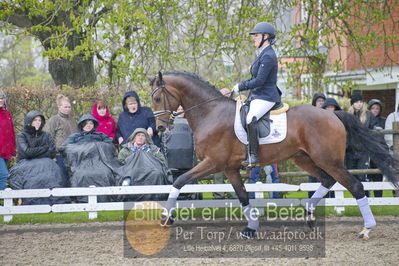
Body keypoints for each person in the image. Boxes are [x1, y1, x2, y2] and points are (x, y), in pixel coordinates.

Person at [233, 22, 282, 167]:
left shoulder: (268, 56)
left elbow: (260, 81)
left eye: (256, 35)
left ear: (265, 37)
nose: (254, 38)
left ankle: (253, 155)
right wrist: (240, 85)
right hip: (257, 95)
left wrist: (241, 86)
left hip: (266, 96)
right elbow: (255, 78)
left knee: (250, 119)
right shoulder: (262, 54)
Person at [8, 110, 67, 205]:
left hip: (46, 163)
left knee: (53, 175)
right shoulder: (22, 136)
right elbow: (27, 153)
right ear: (29, 121)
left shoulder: (46, 135)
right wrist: (44, 148)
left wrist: (35, 151)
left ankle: (54, 201)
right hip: (26, 164)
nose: (38, 122)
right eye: (35, 120)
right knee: (33, 179)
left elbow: (51, 152)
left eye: (39, 120)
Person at [62, 114, 116, 202]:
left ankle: (105, 199)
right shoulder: (75, 137)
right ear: (81, 125)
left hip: (100, 162)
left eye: (91, 123)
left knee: (106, 173)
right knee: (80, 175)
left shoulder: (101, 135)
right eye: (86, 123)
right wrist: (85, 148)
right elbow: (67, 148)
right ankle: (82, 199)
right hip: (81, 163)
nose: (88, 125)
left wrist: (95, 146)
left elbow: (110, 146)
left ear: (94, 125)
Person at [118, 128, 170, 201]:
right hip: (132, 171)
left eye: (143, 136)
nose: (140, 137)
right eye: (138, 135)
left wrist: (149, 157)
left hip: (150, 171)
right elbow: (120, 163)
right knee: (127, 175)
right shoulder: (125, 150)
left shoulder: (153, 149)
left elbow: (162, 161)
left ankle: (156, 200)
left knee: (158, 174)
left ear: (146, 138)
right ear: (134, 137)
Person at [346, 92, 376, 196]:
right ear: (352, 103)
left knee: (363, 176)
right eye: (356, 102)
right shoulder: (347, 116)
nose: (359, 104)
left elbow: (373, 130)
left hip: (364, 151)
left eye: (360, 101)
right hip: (350, 151)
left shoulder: (368, 115)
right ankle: (357, 199)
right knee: (352, 177)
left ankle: (366, 197)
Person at [44, 94, 77, 185]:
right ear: (59, 107)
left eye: (69, 107)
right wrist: (52, 155)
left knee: (73, 178)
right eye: (65, 107)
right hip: (59, 155)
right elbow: (48, 139)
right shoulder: (53, 120)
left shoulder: (73, 120)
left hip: (72, 155)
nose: (68, 109)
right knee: (62, 178)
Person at [308, 92, 327, 197]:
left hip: (324, 151)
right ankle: (311, 198)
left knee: (328, 176)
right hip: (311, 150)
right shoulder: (309, 116)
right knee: (313, 176)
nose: (321, 103)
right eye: (319, 101)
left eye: (323, 101)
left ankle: (330, 200)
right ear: (314, 103)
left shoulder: (327, 117)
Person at [367, 99, 386, 197]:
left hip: (380, 152)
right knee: (367, 175)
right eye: (373, 108)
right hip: (367, 152)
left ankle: (379, 198)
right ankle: (367, 197)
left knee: (378, 175)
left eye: (377, 108)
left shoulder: (384, 121)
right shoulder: (365, 121)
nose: (375, 110)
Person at [0, 90, 16, 190]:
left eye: (2, 98)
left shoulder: (7, 114)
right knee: (4, 176)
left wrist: (13, 152)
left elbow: (11, 134)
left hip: (6, 152)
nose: (0, 100)